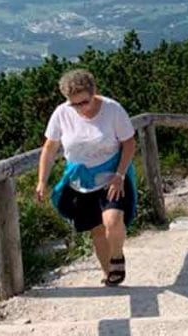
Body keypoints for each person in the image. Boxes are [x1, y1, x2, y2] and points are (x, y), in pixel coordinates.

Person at [36, 69, 137, 287]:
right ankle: (108, 273)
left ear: (94, 93)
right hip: (81, 181)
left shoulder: (113, 110)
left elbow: (129, 143)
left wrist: (120, 174)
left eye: (85, 102)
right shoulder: (61, 113)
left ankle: (117, 256)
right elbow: (50, 148)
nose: (81, 108)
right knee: (97, 229)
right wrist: (42, 180)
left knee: (112, 220)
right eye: (75, 104)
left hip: (112, 175)